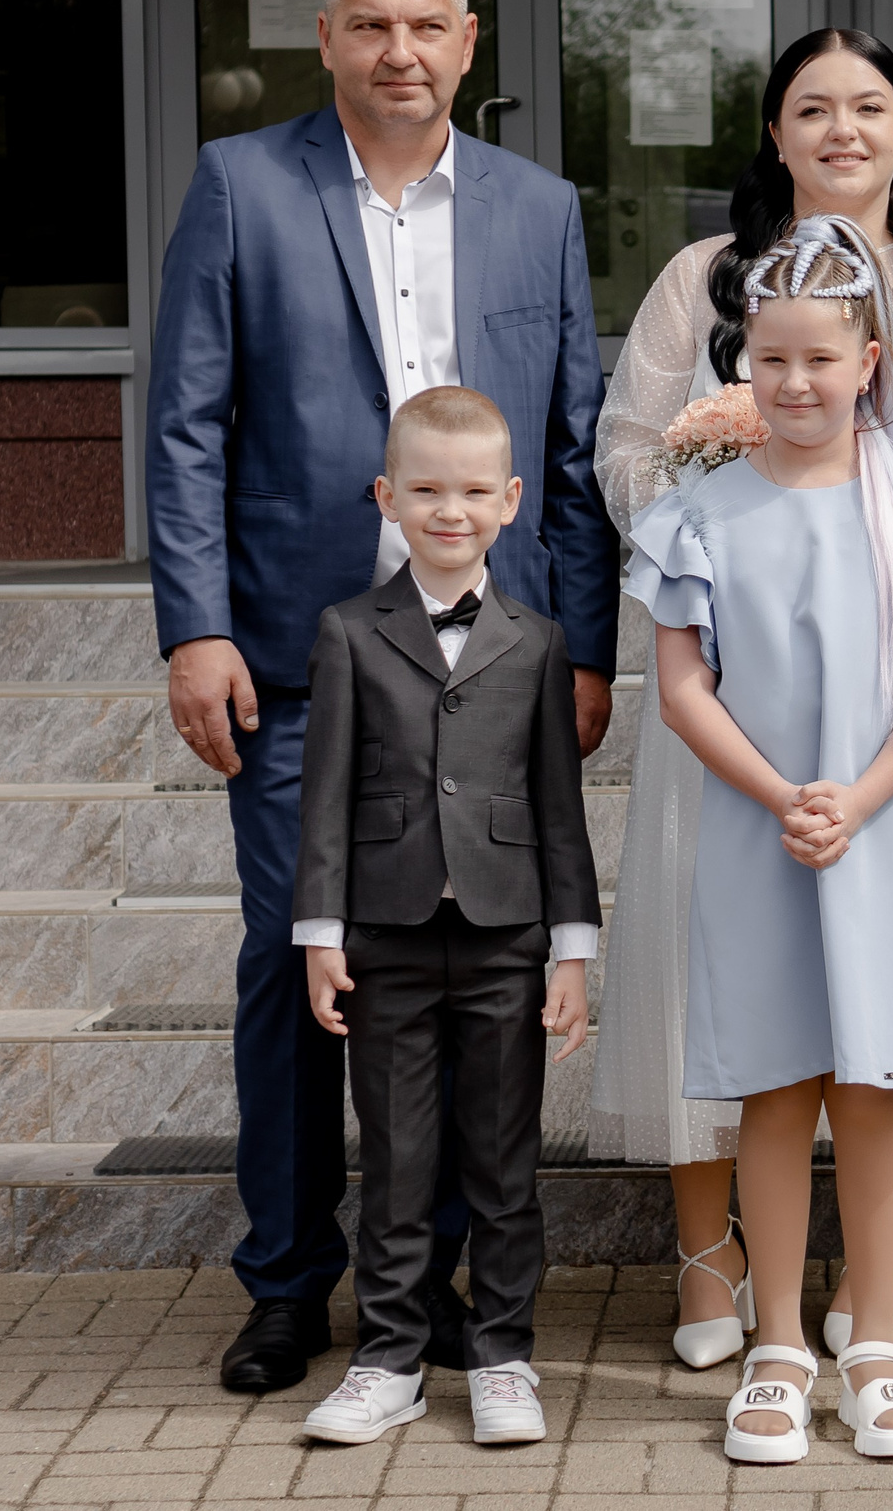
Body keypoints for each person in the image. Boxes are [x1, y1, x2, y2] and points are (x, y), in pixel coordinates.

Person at [147, 0, 619, 1393]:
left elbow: (571, 445)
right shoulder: (242, 185)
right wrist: (196, 625)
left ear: (468, 40)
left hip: (490, 667)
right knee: (297, 962)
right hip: (296, 659)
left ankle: (456, 1296)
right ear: (327, 37)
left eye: (424, 26)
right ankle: (290, 1282)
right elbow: (187, 424)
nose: (398, 51)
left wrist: (586, 648)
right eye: (369, 25)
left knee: (474, 970)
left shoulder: (540, 207)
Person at [590, 28, 893, 1367]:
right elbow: (628, 446)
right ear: (776, 131)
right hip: (742, 663)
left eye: (869, 106)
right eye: (813, 107)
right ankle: (709, 1259)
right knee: (722, 958)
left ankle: (870, 1281)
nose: (842, 128)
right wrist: (713, 475)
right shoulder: (705, 278)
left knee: (882, 969)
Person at [628, 216, 893, 1464]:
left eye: (821, 360)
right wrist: (781, 793)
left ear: (869, 365)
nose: (796, 383)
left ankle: (878, 1342)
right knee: (774, 1083)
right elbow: (682, 688)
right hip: (760, 834)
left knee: (875, 1083)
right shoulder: (705, 511)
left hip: (878, 830)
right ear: (745, 359)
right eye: (773, 359)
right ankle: (780, 1346)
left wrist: (860, 794)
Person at [290, 387, 597, 1447]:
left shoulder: (539, 642)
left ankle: (504, 1356)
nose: (449, 510)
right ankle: (388, 1359)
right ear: (388, 496)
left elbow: (558, 805)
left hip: (509, 939)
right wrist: (320, 934)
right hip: (386, 938)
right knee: (397, 1160)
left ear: (509, 500)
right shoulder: (347, 632)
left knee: (504, 1162)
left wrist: (572, 949)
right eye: (426, 490)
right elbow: (324, 796)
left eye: (472, 491)